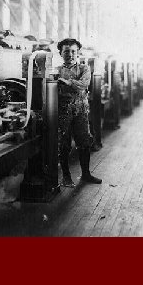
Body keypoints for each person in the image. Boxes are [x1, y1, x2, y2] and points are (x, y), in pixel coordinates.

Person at [56, 38, 102, 187]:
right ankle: (66, 177)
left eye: (73, 51)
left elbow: (84, 84)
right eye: (66, 51)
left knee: (84, 141)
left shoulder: (84, 68)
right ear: (60, 53)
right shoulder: (56, 71)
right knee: (64, 144)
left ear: (78, 53)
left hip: (81, 110)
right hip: (63, 111)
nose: (70, 54)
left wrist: (68, 82)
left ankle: (86, 174)